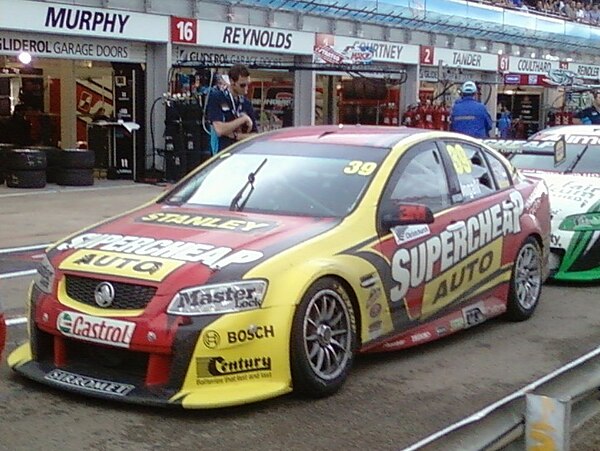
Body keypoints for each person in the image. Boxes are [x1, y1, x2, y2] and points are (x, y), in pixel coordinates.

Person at [205, 64, 258, 153]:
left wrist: (236, 136)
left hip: (242, 153)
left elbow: (254, 135)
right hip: (222, 152)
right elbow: (220, 129)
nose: (246, 88)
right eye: (242, 85)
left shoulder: (246, 103)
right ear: (232, 82)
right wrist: (243, 119)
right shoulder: (217, 97)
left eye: (247, 84)